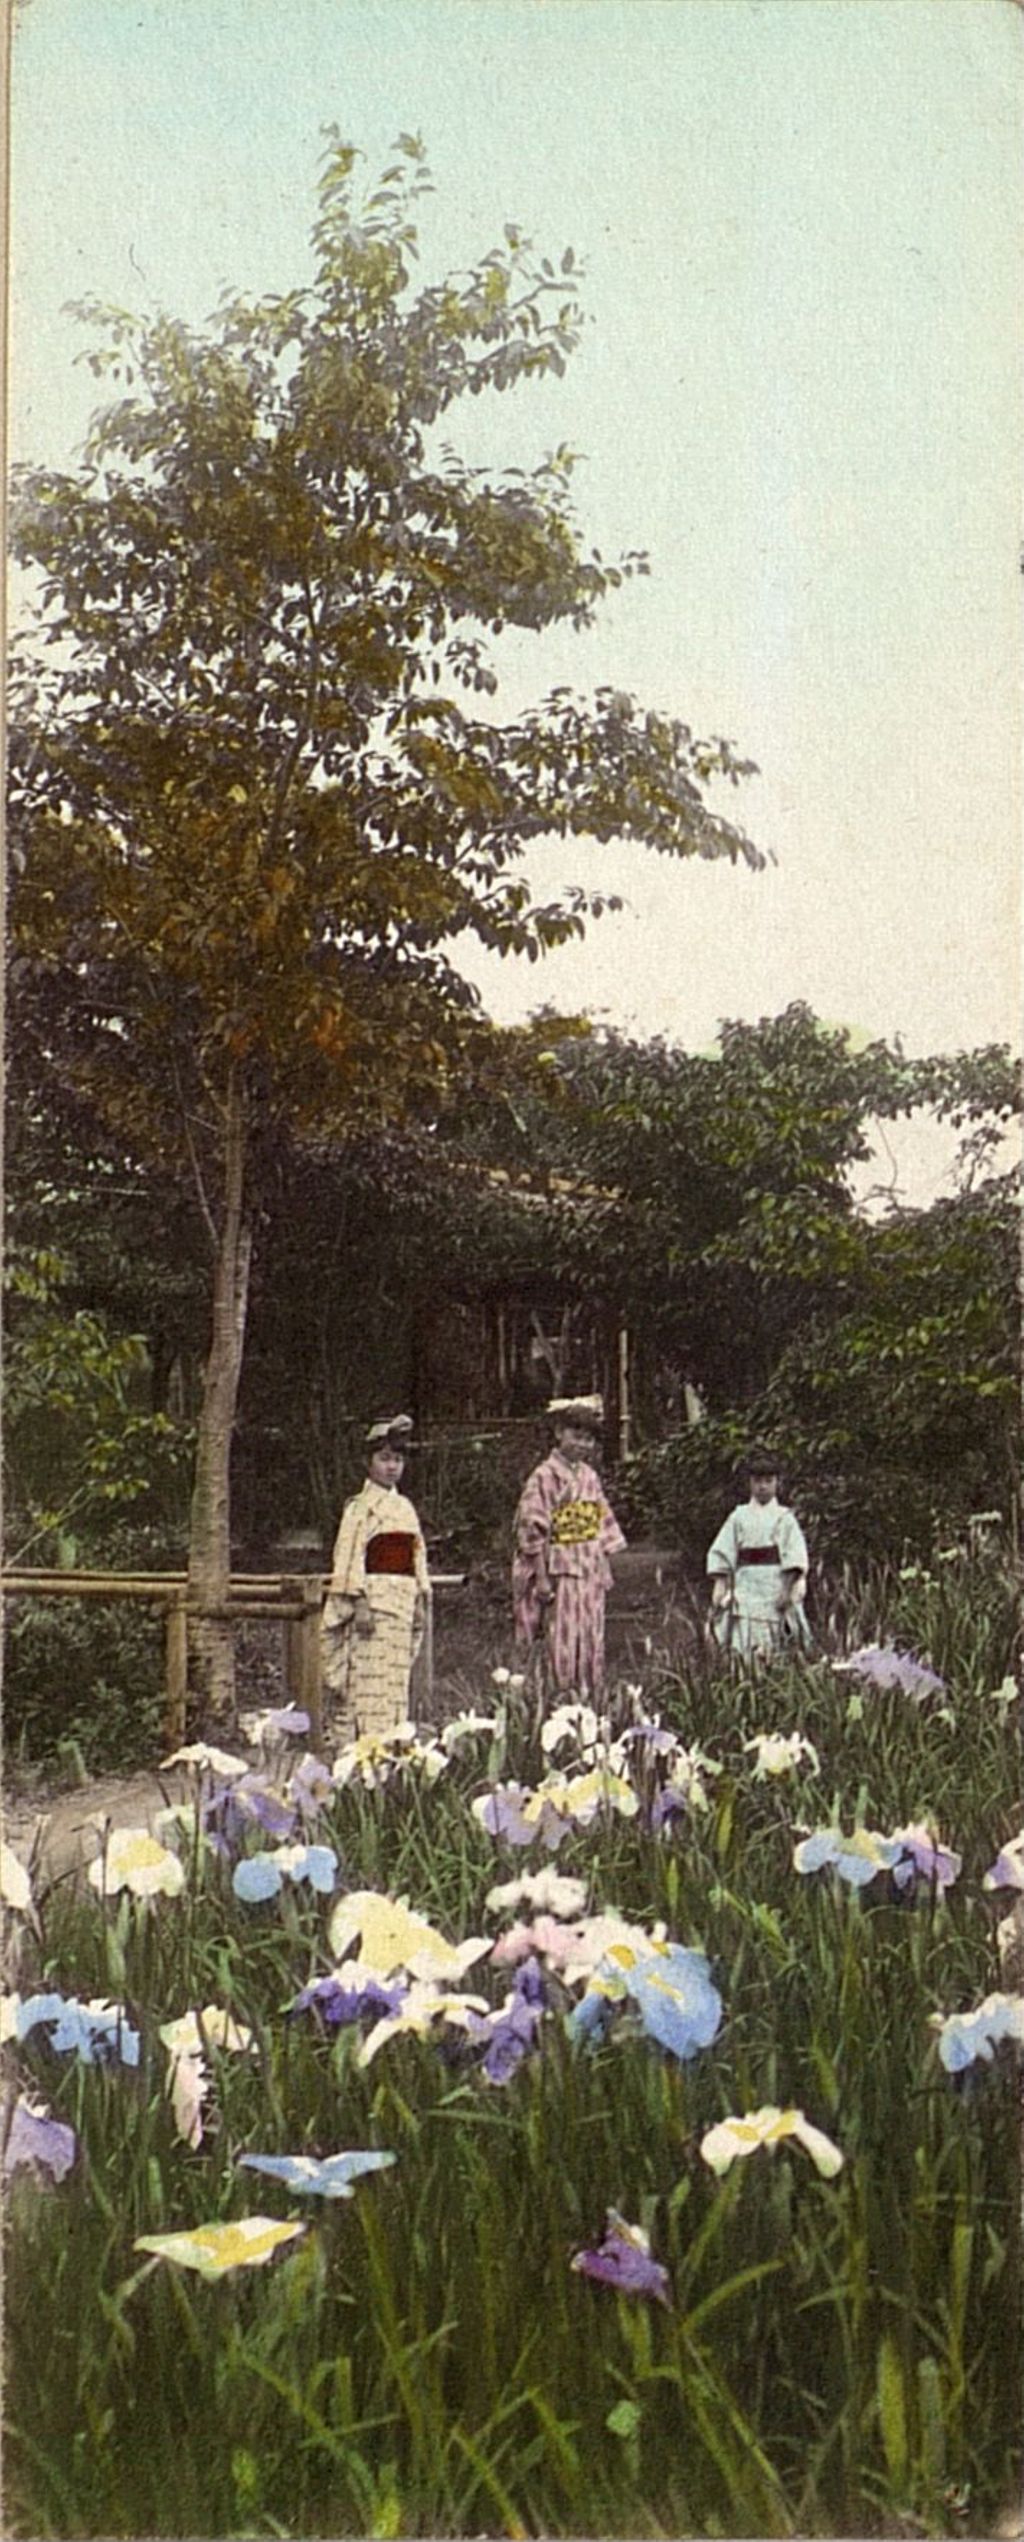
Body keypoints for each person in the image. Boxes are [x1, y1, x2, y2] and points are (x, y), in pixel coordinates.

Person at [321, 1416, 430, 1741]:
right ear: (368, 1463)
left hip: (401, 1604)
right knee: (367, 1687)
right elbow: (348, 1556)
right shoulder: (359, 1507)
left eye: (397, 1459)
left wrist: (420, 1598)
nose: (392, 1466)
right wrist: (360, 1602)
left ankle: (393, 1755)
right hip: (372, 1604)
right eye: (384, 1458)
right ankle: (364, 1755)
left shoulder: (405, 1508)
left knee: (395, 1687)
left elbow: (417, 1556)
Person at [512, 1395, 626, 1699]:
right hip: (558, 1567)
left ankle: (589, 1701)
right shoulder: (544, 1476)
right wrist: (541, 1576)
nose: (582, 1445)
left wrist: (603, 1565)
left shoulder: (589, 1477)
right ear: (559, 1433)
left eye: (588, 1439)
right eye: (576, 1436)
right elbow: (532, 1526)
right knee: (560, 1638)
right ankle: (556, 1701)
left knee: (590, 1637)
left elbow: (600, 1522)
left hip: (588, 1566)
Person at [706, 1446, 810, 1660]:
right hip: (746, 1584)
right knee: (743, 1636)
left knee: (778, 1641)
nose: (763, 1487)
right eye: (757, 1481)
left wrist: (786, 1590)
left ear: (776, 1483)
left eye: (768, 1481)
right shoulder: (739, 1516)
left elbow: (794, 1556)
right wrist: (722, 1583)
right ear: (750, 1483)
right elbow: (723, 1552)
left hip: (775, 1583)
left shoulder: (785, 1518)